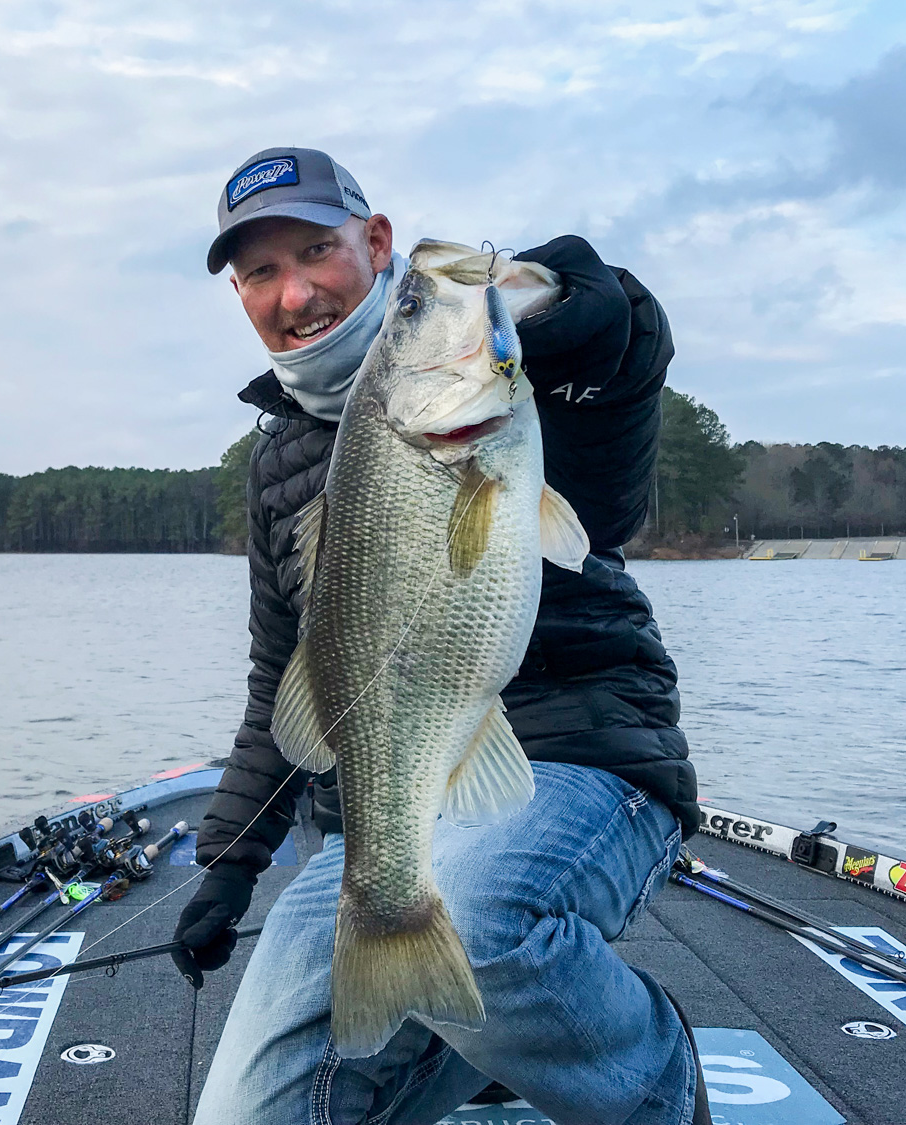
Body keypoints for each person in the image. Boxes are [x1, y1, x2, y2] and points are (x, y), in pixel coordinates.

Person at [172, 147, 706, 1125]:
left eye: (316, 251)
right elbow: (278, 681)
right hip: (394, 807)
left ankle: (655, 1086)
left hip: (584, 750)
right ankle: (469, 1042)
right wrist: (226, 865)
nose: (293, 291)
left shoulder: (517, 382)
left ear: (376, 244)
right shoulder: (279, 461)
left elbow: (618, 333)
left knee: (477, 912)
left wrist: (524, 290)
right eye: (258, 271)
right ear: (241, 293)